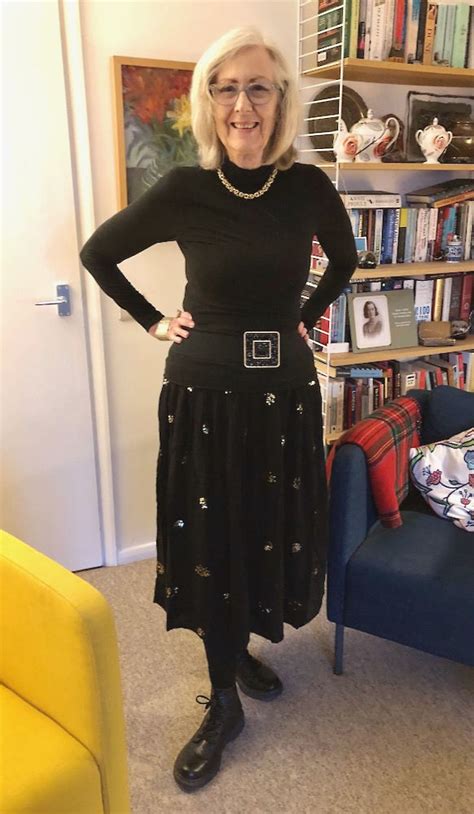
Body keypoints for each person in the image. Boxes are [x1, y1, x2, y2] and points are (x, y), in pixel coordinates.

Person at [80, 26, 358, 792]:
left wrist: (306, 316)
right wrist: (152, 319)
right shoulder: (184, 188)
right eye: (227, 87)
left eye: (258, 87)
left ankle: (237, 649)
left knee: (263, 530)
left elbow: (344, 259)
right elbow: (99, 253)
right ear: (209, 100)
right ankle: (223, 700)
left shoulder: (307, 187)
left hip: (283, 395)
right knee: (213, 535)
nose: (243, 104)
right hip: (202, 394)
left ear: (280, 99)